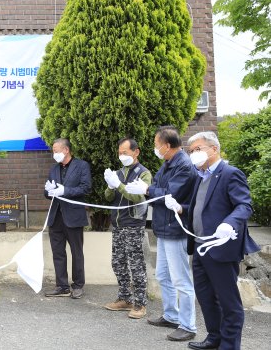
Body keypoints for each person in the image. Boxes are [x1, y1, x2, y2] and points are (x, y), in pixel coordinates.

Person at [165, 131, 259, 350]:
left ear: (214, 149)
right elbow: (202, 209)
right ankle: (214, 337)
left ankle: (229, 345)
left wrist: (230, 223)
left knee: (228, 301)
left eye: (198, 149)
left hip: (221, 248)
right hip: (199, 247)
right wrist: (181, 208)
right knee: (206, 297)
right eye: (191, 151)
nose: (193, 154)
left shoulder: (230, 173)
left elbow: (244, 206)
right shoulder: (202, 175)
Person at [126, 126, 198, 342]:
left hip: (176, 229)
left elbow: (169, 195)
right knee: (164, 276)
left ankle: (188, 325)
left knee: (181, 280)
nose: (156, 149)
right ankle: (171, 315)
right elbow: (158, 187)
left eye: (157, 145)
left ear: (167, 146)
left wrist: (147, 190)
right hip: (164, 228)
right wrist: (148, 188)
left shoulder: (184, 166)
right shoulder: (168, 163)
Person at [103, 138, 151, 319]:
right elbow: (108, 198)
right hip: (117, 225)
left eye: (125, 152)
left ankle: (140, 304)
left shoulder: (144, 174)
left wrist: (119, 185)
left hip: (133, 225)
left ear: (136, 152)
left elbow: (138, 198)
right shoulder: (117, 173)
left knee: (136, 265)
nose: (122, 156)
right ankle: (125, 298)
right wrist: (109, 185)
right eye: (120, 153)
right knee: (118, 263)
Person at [43, 138, 92, 299]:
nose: (54, 153)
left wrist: (65, 191)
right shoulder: (54, 169)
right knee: (58, 252)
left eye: (56, 150)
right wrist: (48, 191)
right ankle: (61, 286)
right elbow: (48, 192)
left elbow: (86, 188)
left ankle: (78, 285)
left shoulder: (81, 166)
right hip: (56, 216)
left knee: (76, 252)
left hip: (74, 216)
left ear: (66, 150)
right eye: (53, 151)